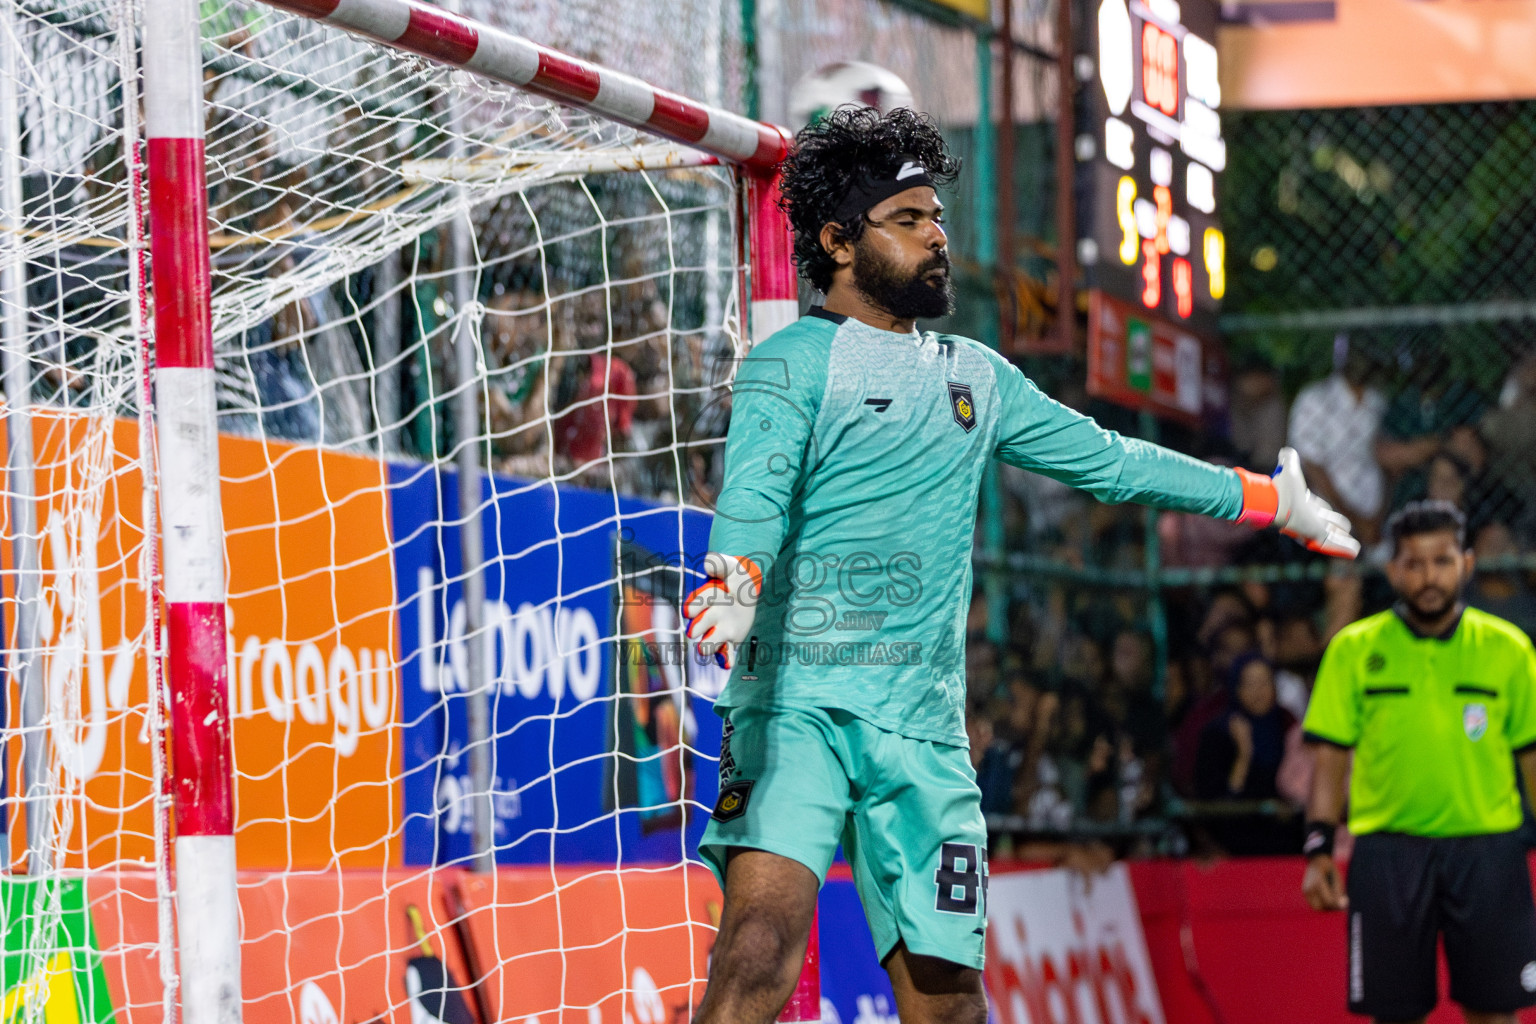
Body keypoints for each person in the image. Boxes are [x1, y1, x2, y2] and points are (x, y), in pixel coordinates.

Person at [680, 106, 1360, 1024]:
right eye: (910, 221)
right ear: (840, 241)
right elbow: (756, 491)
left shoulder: (977, 375)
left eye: (939, 220)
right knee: (759, 945)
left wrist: (1268, 499)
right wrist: (736, 578)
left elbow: (1115, 462)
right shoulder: (792, 361)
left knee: (950, 1004)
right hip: (798, 704)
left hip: (923, 730)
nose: (938, 240)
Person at [1301, 500, 1536, 1024]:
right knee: (1394, 1014)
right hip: (1388, 855)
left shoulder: (1510, 650)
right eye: (1414, 563)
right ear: (1392, 570)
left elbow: (1532, 758)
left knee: (1496, 1013)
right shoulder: (1353, 650)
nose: (1429, 576)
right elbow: (1331, 757)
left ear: (1466, 564)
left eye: (1442, 561)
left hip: (1489, 852)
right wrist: (1318, 845)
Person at [1288, 336, 1387, 543]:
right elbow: (1312, 466)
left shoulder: (1378, 402)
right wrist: (1356, 521)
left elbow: (1387, 459)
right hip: (1323, 519)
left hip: (1375, 518)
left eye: (1365, 354)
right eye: (1354, 353)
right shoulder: (1314, 399)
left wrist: (1376, 520)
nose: (1360, 360)